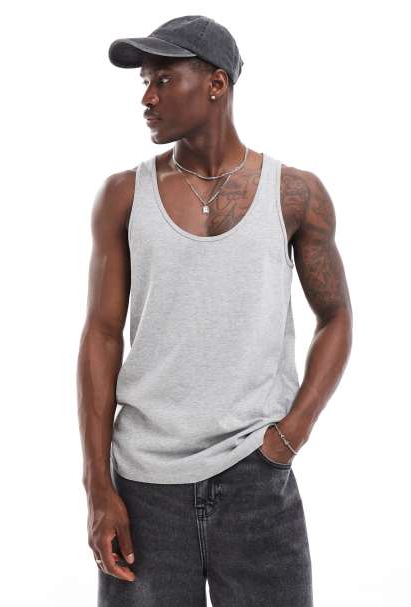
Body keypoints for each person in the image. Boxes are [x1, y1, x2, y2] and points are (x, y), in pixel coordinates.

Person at [77, 15, 353, 607]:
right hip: (145, 487)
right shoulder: (123, 195)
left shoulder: (295, 194)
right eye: (144, 83)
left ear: (216, 83)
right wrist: (97, 484)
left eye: (163, 79)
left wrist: (291, 434)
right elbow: (101, 335)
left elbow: (336, 317)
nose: (147, 99)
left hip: (257, 476)